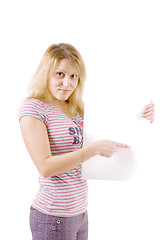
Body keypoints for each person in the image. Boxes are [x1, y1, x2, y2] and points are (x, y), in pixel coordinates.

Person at [19, 43, 155, 240]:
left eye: (74, 76)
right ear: (45, 73)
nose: (67, 83)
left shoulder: (77, 109)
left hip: (80, 212)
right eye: (60, 74)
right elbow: (45, 166)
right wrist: (93, 150)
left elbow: (110, 132)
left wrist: (141, 116)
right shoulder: (34, 108)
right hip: (53, 216)